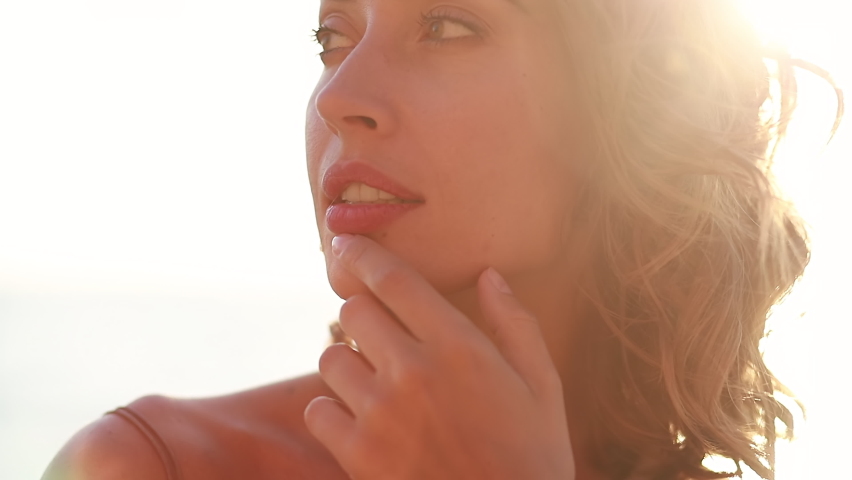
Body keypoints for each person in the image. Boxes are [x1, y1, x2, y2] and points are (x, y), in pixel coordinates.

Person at [42, 0, 843, 479]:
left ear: (627, 107)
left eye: (447, 26)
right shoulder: (150, 468)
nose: (341, 95)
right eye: (332, 35)